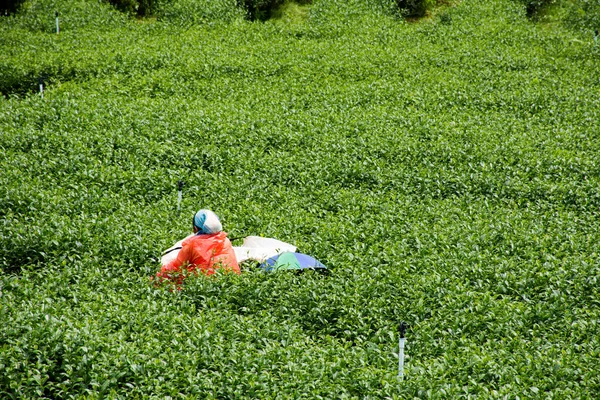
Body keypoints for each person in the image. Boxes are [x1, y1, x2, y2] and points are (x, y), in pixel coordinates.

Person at [155, 209, 240, 284]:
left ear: (195, 228)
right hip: (230, 281)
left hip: (205, 285)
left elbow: (175, 268)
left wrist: (156, 276)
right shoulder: (226, 240)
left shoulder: (192, 245)